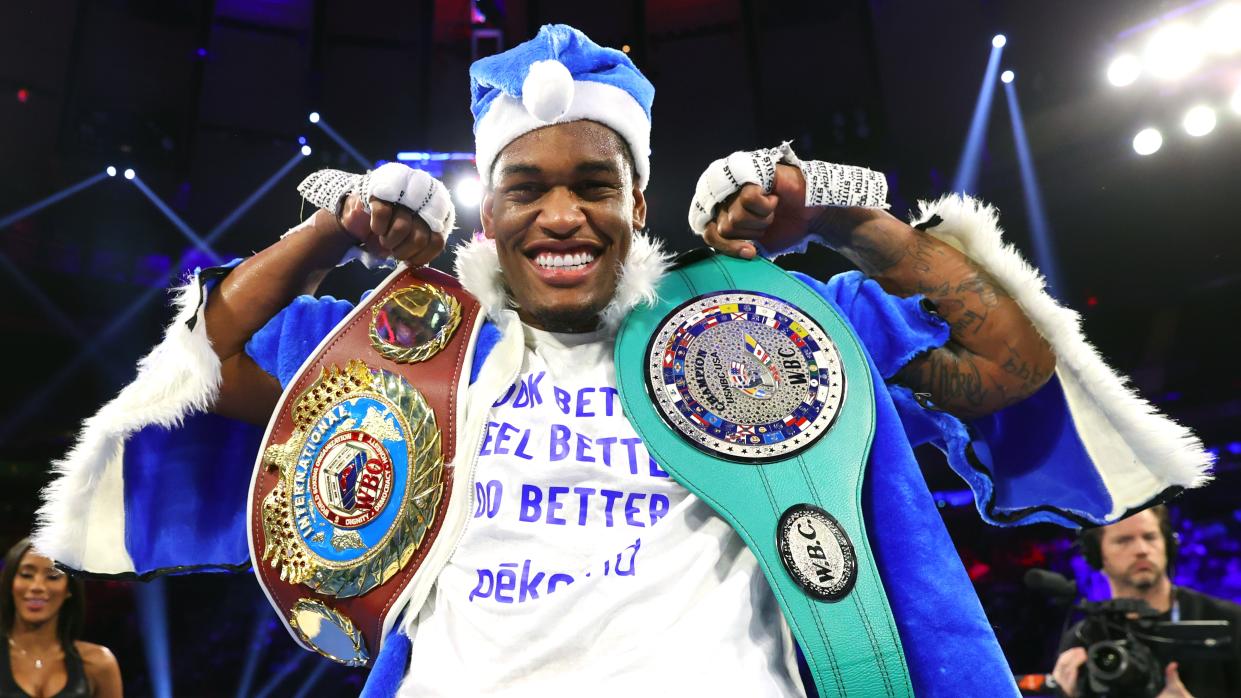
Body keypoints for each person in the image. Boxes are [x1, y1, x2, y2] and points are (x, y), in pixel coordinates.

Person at [33, 24, 1212, 698]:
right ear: (482, 215)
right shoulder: (409, 343)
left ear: (637, 199)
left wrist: (844, 216)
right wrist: (332, 230)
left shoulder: (763, 321)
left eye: (592, 185)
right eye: (525, 188)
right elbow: (202, 360)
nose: (561, 214)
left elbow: (1001, 357)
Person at [1052, 506, 1241, 698]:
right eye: (1123, 541)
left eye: (1150, 537)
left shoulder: (1229, 621)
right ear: (1097, 555)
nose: (1142, 550)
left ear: (1168, 544)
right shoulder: (1083, 638)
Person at [0, 539, 121, 698]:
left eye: (52, 577)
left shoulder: (99, 663)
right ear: (10, 584)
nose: (37, 586)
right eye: (26, 575)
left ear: (69, 589)